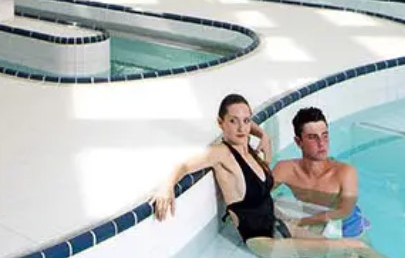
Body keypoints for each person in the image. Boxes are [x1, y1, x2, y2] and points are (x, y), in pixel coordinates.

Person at [151, 94, 383, 257]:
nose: (241, 128)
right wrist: (166, 187)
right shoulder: (222, 153)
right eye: (233, 121)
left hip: (279, 224)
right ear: (220, 123)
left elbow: (247, 128)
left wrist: (262, 134)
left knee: (350, 254)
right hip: (262, 241)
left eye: (246, 121)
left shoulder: (251, 151)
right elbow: (184, 165)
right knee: (355, 247)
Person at [272, 108, 370, 241]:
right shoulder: (285, 169)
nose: (321, 143)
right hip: (314, 219)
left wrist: (300, 222)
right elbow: (258, 195)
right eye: (312, 137)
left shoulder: (345, 172)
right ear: (298, 142)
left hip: (347, 225)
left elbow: (344, 211)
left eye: (325, 135)